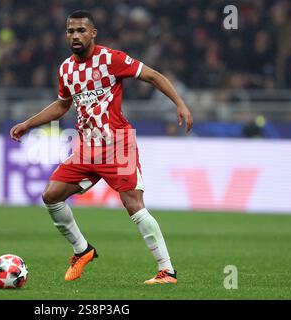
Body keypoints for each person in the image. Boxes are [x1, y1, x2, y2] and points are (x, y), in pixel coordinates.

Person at [10, 10, 193, 284]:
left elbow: (153, 76)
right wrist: (28, 124)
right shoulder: (65, 69)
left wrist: (179, 103)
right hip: (87, 148)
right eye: (71, 31)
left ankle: (167, 271)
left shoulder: (111, 59)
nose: (75, 35)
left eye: (81, 30)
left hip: (117, 144)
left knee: (133, 204)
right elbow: (62, 105)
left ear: (93, 33)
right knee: (51, 195)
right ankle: (82, 250)